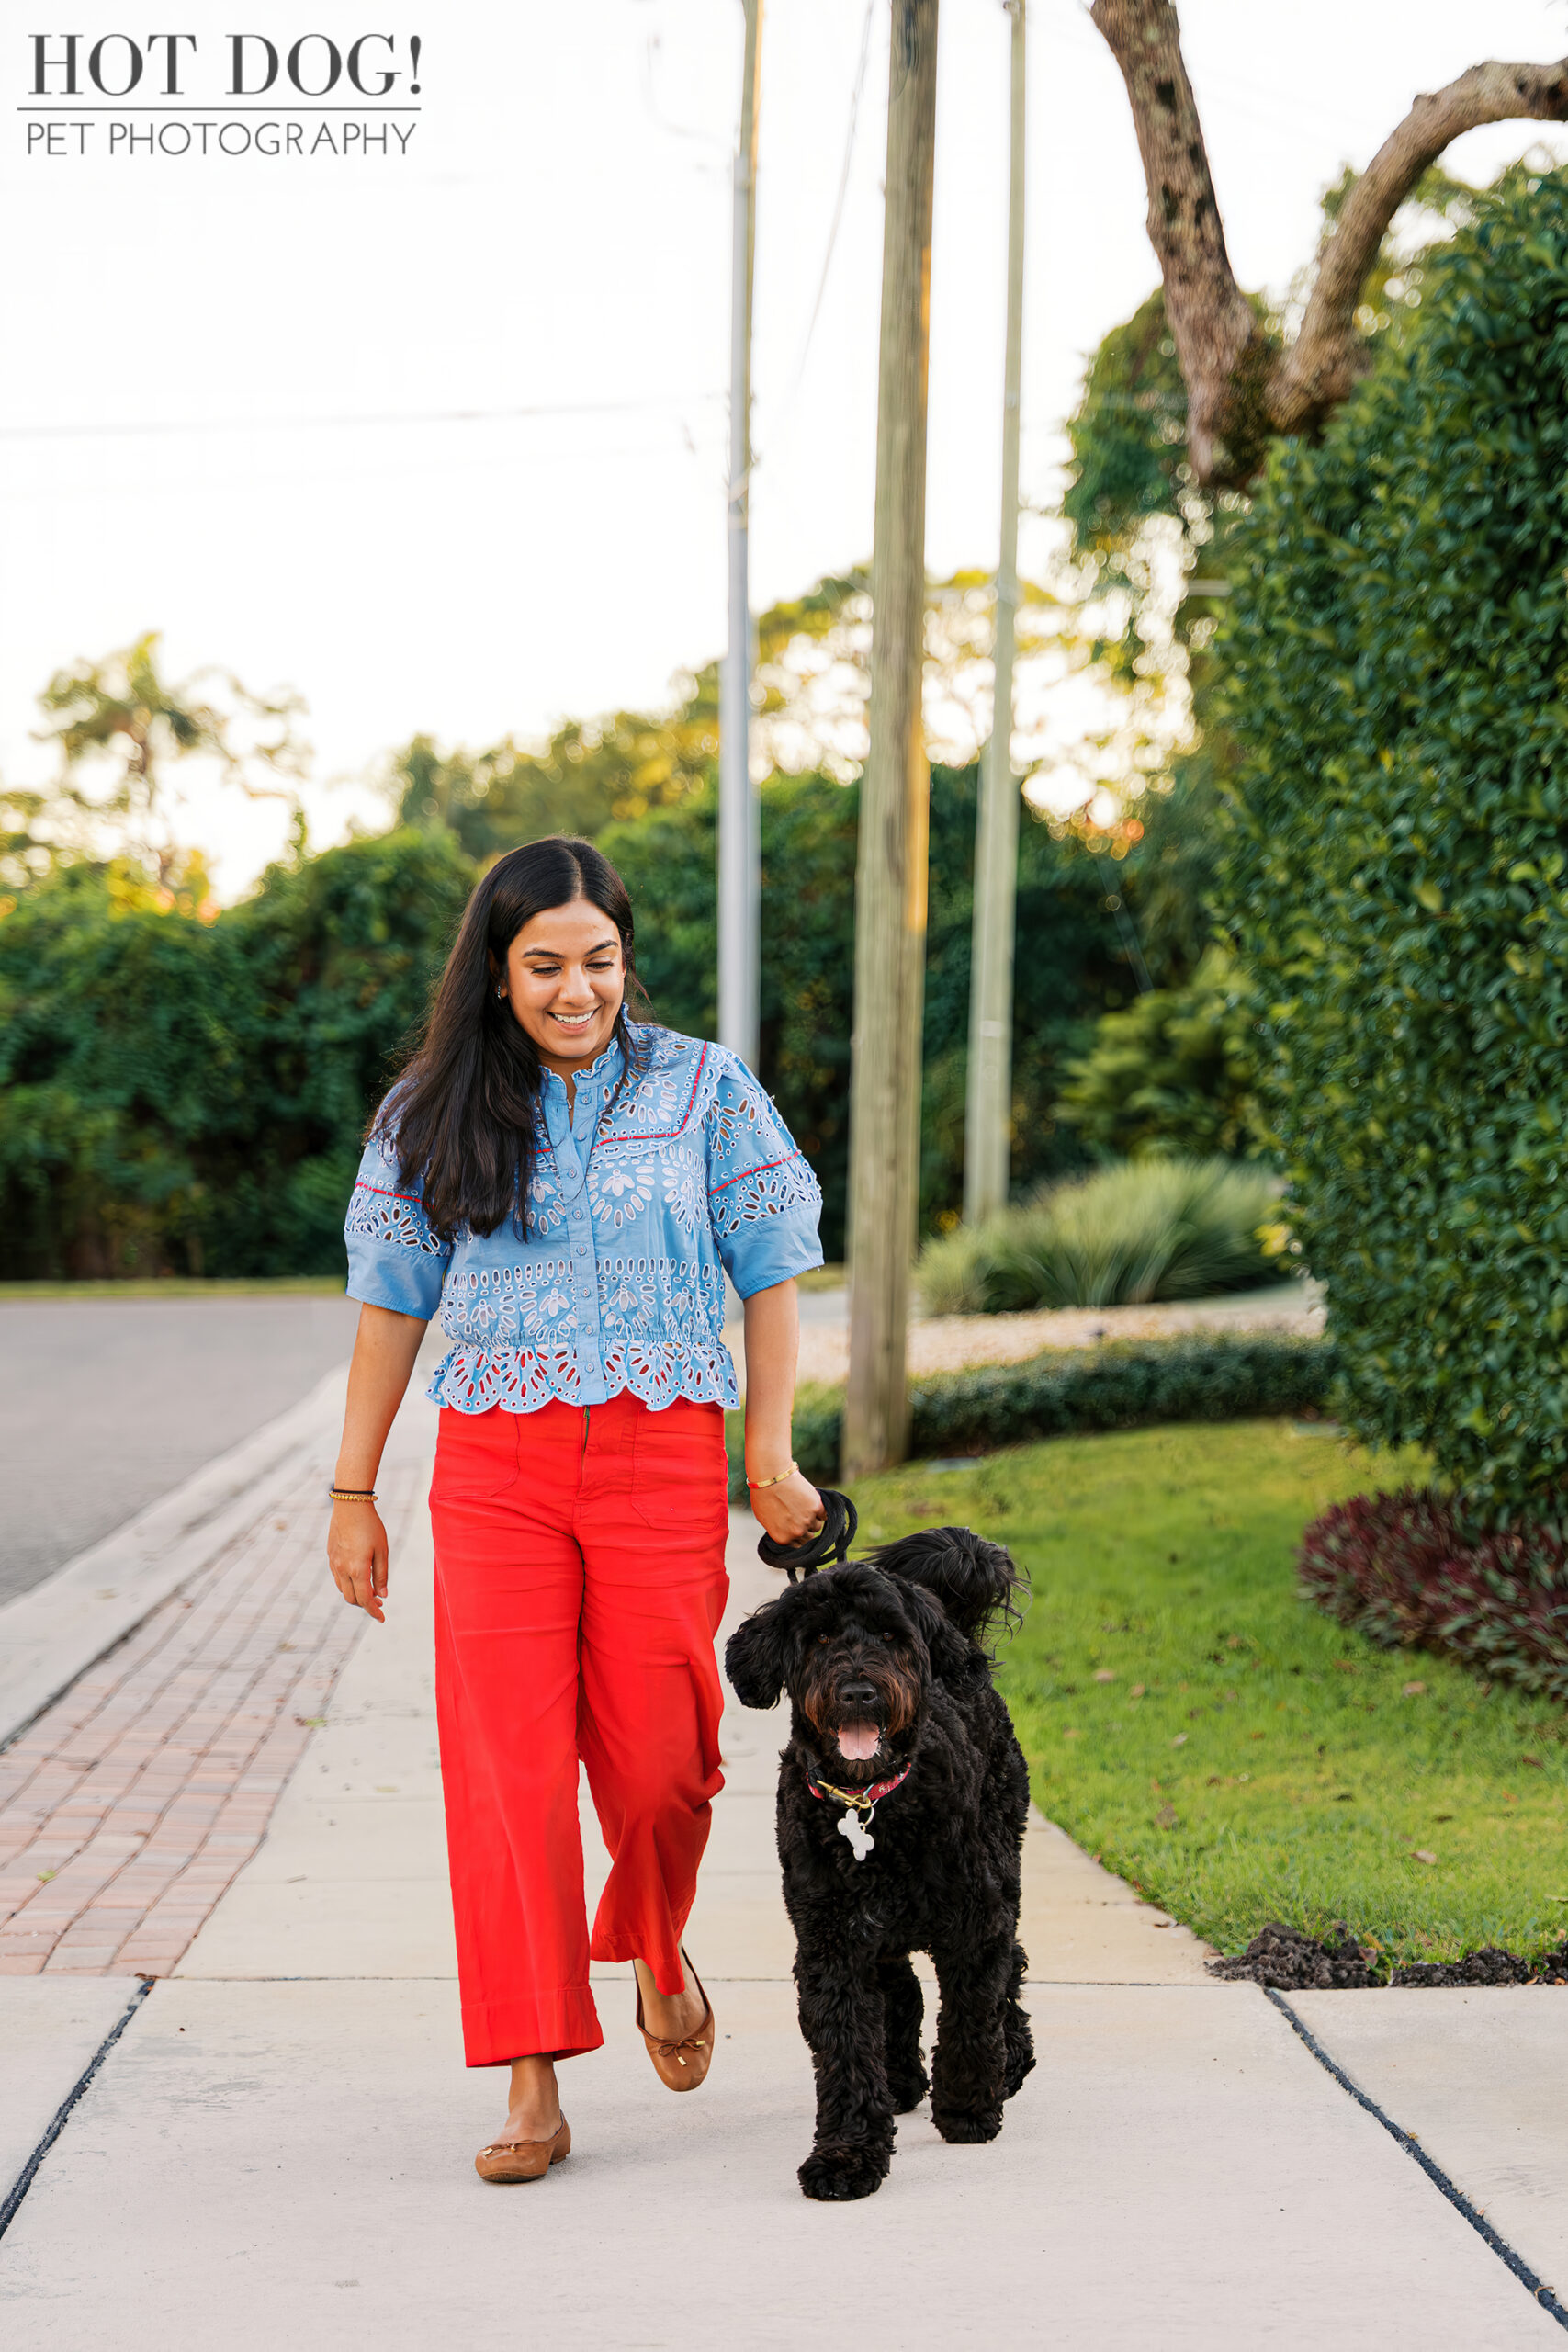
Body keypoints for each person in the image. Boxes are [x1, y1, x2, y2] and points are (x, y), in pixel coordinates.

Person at [325, 835, 825, 2183]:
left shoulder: (704, 1089)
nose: (575, 990)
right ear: (496, 976)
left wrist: (767, 1450)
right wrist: (355, 1490)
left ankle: (656, 1944)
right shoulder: (430, 1109)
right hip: (496, 1471)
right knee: (512, 1780)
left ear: (624, 958)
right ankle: (532, 2079)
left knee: (667, 1760)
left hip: (662, 1453)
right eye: (543, 966)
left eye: (596, 962)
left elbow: (772, 1266)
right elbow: (391, 1303)